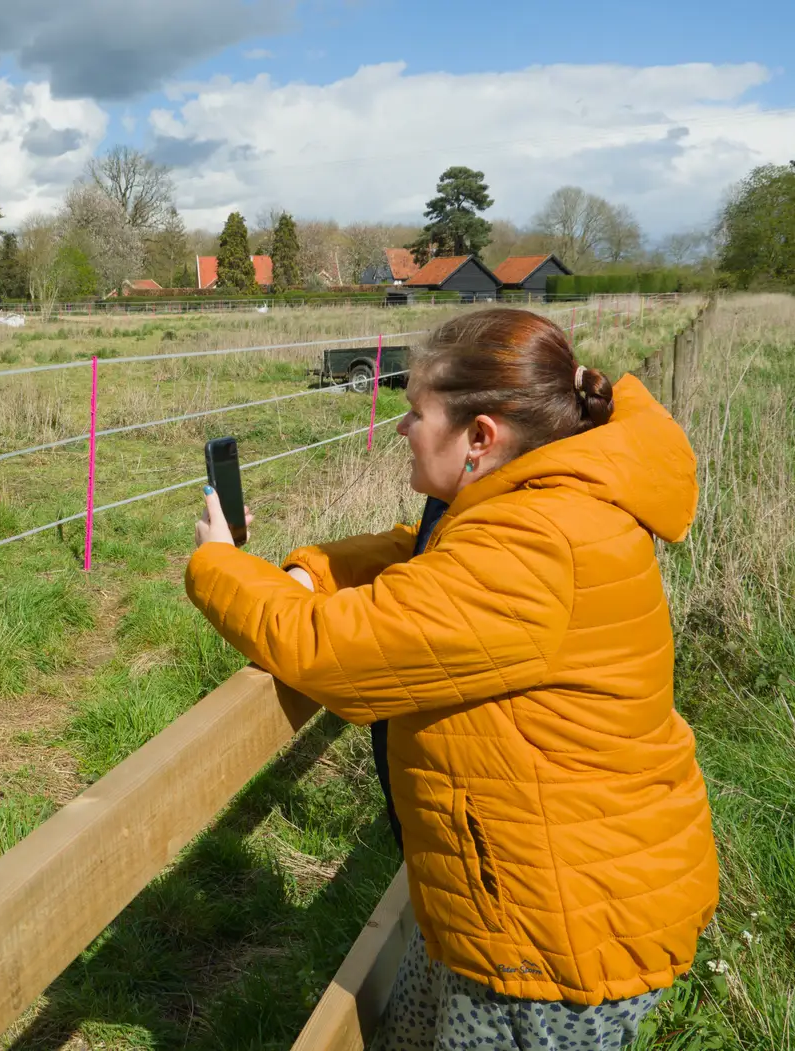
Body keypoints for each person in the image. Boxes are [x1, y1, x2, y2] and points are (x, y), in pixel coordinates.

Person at [185, 309, 718, 1050]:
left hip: (546, 939)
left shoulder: (534, 546)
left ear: (481, 437)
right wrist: (316, 569)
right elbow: (423, 550)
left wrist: (219, 566)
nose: (401, 428)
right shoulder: (541, 502)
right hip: (506, 901)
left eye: (416, 412)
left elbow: (330, 650)